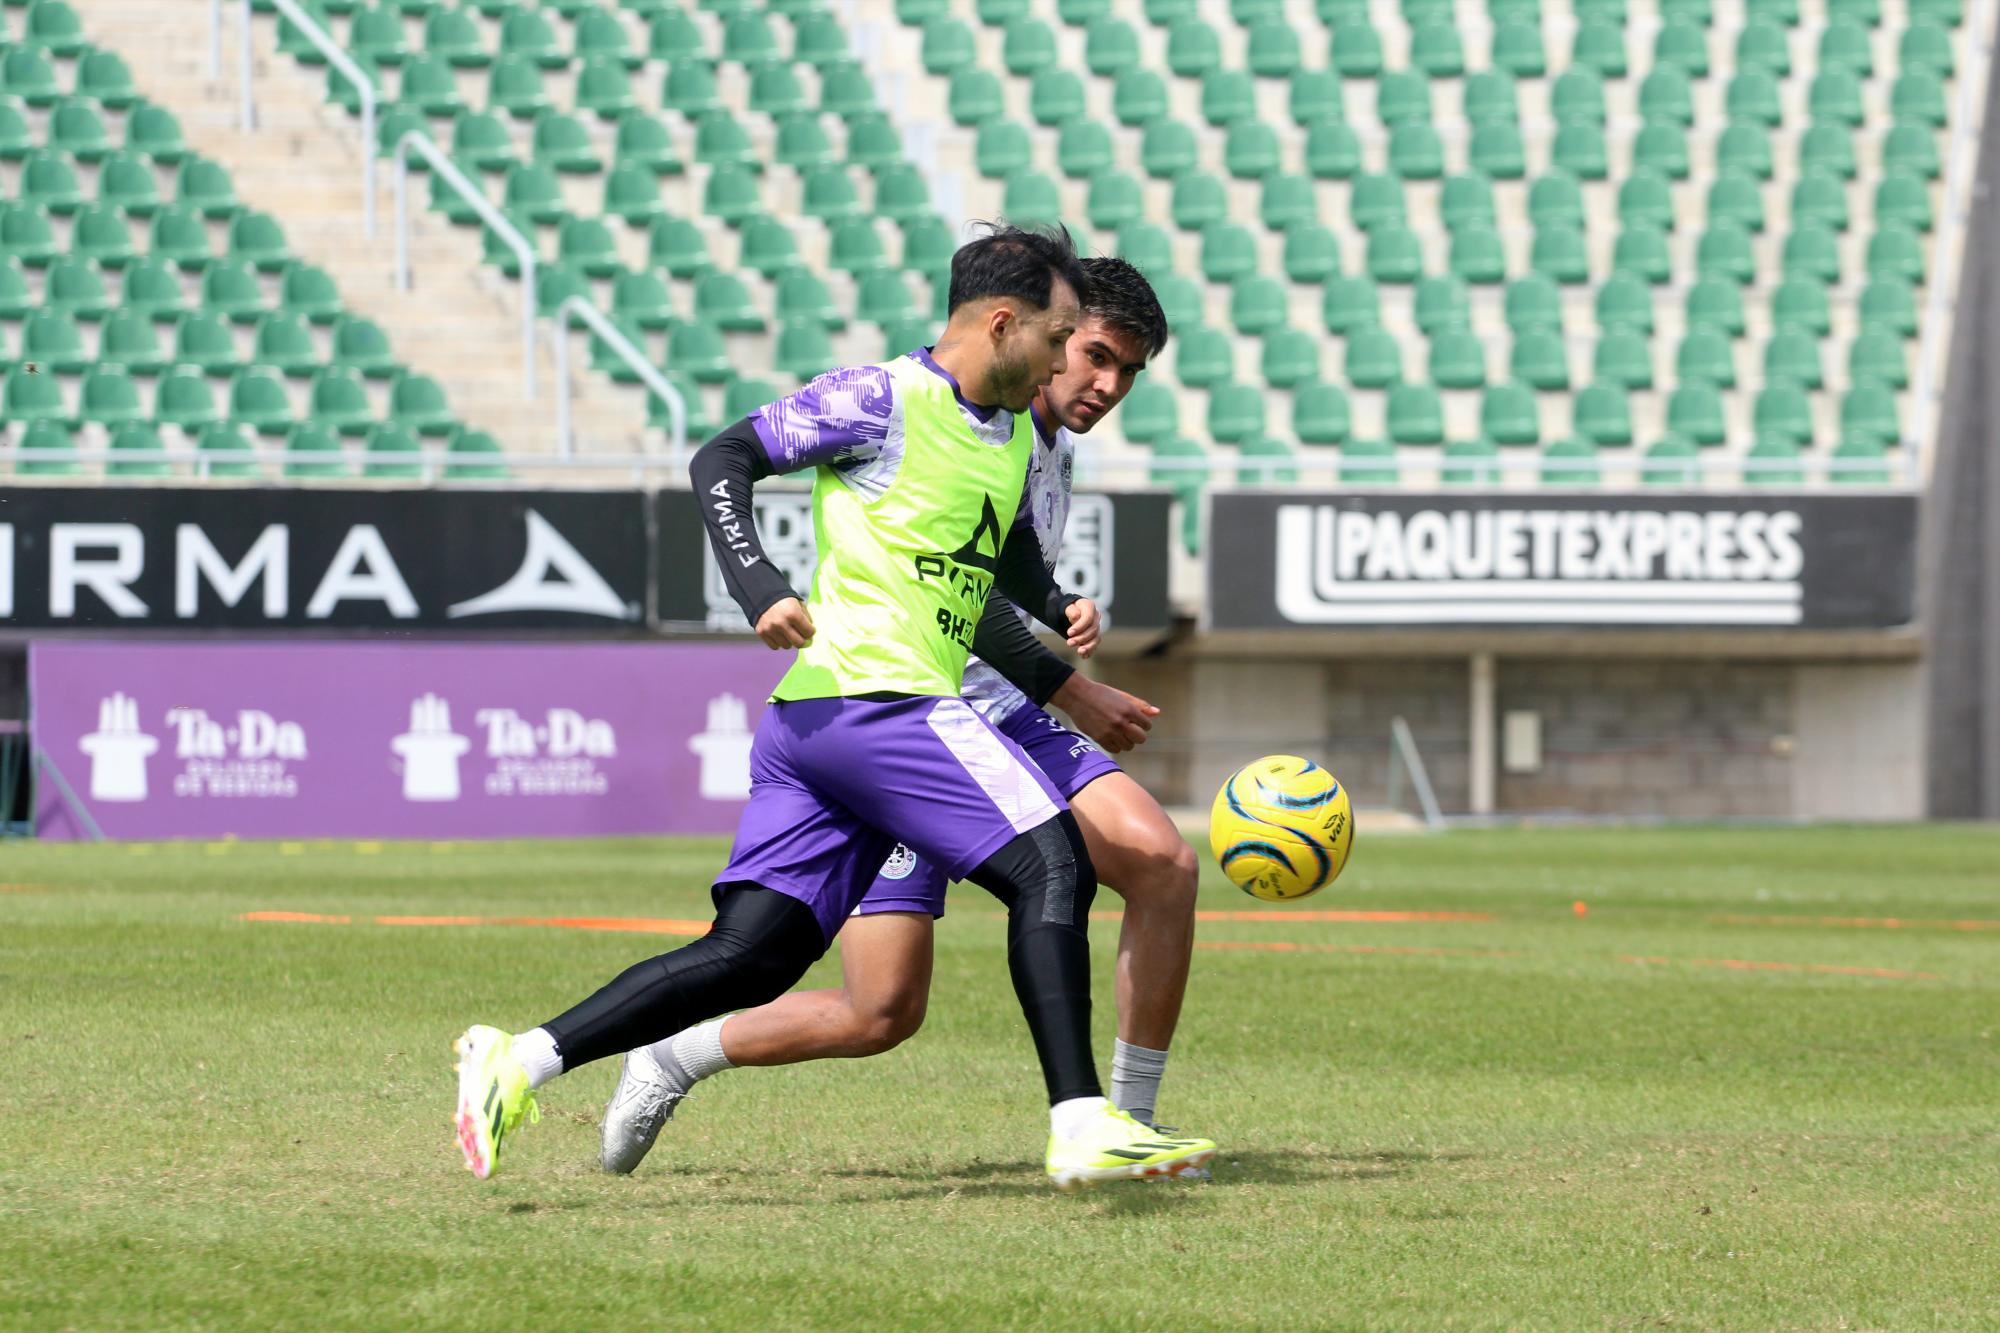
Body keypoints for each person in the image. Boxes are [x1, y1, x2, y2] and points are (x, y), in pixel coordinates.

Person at [451, 226, 1215, 1191]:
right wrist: (760, 584)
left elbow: (1000, 551)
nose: (1071, 366)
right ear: (1004, 323)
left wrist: (1056, 601)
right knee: (1052, 862)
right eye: (1065, 340)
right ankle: (1083, 1122)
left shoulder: (1012, 432)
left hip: (818, 723)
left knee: (753, 955)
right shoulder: (881, 397)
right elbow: (724, 456)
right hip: (879, 697)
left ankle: (519, 1059)